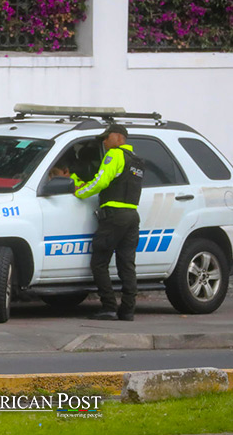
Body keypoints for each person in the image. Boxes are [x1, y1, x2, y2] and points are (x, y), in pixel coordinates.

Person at [74, 123, 144, 321]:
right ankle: (128, 310)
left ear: (118, 137)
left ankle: (109, 307)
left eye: (106, 137)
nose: (104, 142)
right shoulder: (137, 161)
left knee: (99, 262)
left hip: (114, 215)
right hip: (132, 216)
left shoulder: (115, 155)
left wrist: (80, 192)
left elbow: (102, 181)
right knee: (127, 264)